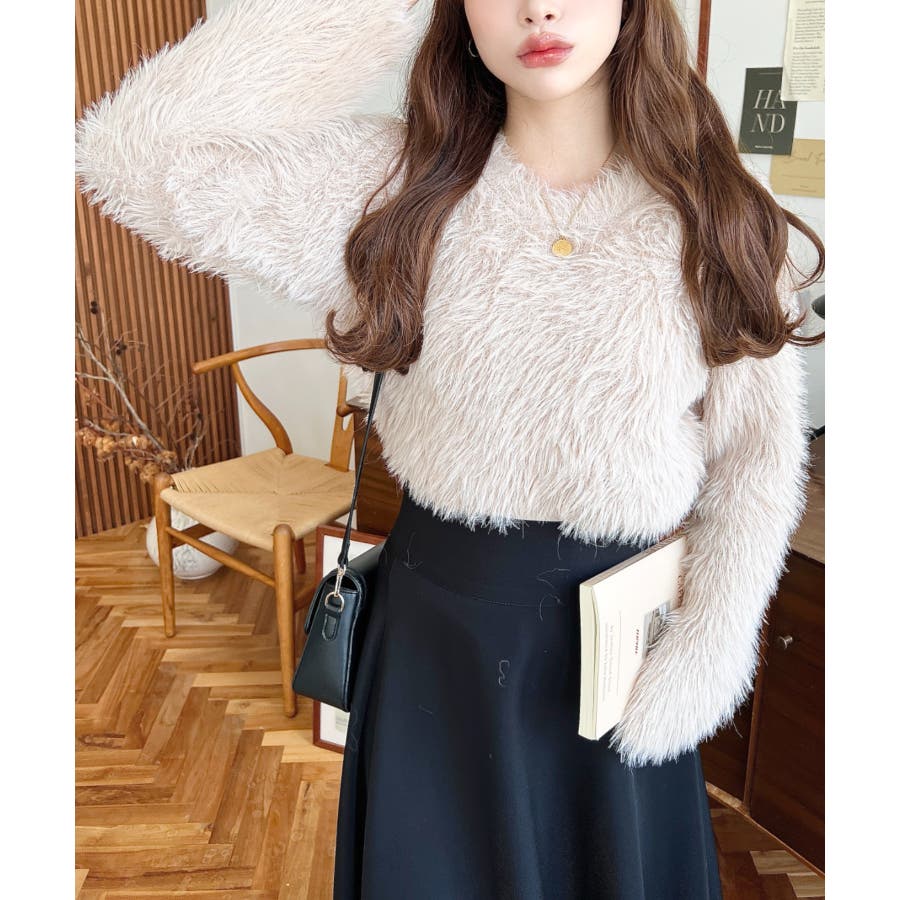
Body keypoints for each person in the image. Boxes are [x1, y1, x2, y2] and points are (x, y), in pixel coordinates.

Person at [74, 1, 825, 897]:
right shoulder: (392, 184)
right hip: (439, 635)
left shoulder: (718, 214)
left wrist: (714, 639)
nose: (539, 8)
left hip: (628, 659)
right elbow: (134, 156)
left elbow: (756, 461)